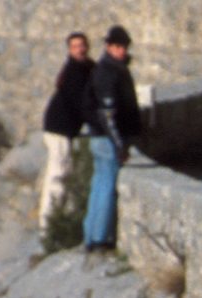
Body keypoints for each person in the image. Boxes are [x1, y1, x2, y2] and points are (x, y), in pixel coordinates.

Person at [82, 25, 142, 253]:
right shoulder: (108, 72)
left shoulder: (108, 69)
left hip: (99, 136)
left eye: (124, 47)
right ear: (108, 46)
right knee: (106, 186)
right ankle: (99, 238)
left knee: (99, 184)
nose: (122, 51)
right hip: (106, 138)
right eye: (117, 46)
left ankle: (91, 235)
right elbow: (107, 114)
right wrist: (119, 144)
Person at [37, 32, 94, 231]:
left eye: (82, 45)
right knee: (58, 173)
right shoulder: (73, 72)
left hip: (65, 130)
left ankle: (61, 217)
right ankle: (48, 224)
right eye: (75, 46)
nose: (80, 49)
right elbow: (81, 103)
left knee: (65, 171)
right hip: (58, 129)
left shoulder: (87, 67)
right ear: (70, 50)